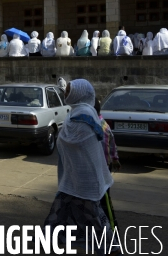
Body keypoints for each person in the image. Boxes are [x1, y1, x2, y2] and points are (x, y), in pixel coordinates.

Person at [44, 79, 115, 253]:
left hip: (86, 181)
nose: (65, 94)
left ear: (79, 94)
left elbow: (75, 141)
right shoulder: (75, 113)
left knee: (93, 219)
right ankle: (47, 239)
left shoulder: (84, 116)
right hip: (72, 177)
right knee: (61, 210)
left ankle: (110, 248)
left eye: (68, 91)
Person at [95, 99, 121, 229]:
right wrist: (115, 159)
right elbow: (112, 144)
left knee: (103, 198)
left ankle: (110, 228)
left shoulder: (94, 125)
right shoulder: (104, 124)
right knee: (104, 196)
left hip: (99, 167)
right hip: (106, 165)